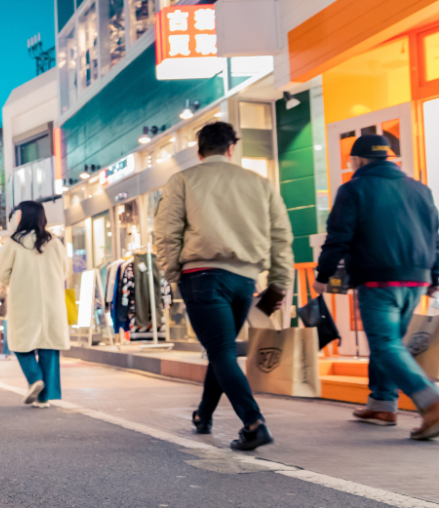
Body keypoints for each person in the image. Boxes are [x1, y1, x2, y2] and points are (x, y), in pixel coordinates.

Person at [156, 121, 294, 451]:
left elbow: (166, 232)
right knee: (222, 350)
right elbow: (281, 236)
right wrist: (278, 284)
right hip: (245, 280)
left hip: (201, 276)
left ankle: (254, 423)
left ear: (199, 151)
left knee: (220, 351)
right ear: (231, 149)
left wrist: (174, 273)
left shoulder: (183, 180)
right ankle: (203, 415)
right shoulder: (259, 184)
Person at [313, 134, 439, 441]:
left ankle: (431, 400)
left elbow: (338, 236)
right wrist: (434, 276)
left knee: (384, 343)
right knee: (392, 340)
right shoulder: (420, 189)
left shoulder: (354, 188)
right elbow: (435, 235)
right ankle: (383, 404)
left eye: (351, 160)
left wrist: (323, 274)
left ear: (358, 160)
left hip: (378, 278)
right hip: (416, 278)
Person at [0, 202, 71, 408]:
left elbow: (2, 274)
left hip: (24, 300)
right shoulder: (54, 242)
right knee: (49, 345)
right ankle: (44, 397)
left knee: (20, 343)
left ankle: (35, 377)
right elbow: (64, 272)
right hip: (52, 302)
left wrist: (15, 280)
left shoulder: (14, 243)